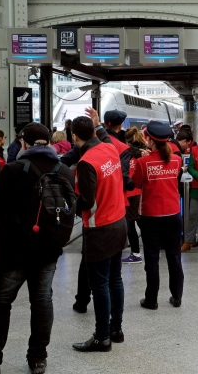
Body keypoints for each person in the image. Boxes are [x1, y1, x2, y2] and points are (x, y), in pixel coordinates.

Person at [0, 122, 75, 374]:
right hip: (48, 249)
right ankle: (38, 359)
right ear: (49, 142)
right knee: (42, 301)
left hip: (13, 250)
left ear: (23, 143)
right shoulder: (64, 171)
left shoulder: (14, 169)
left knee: (1, 303)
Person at [71, 116, 127, 353]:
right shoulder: (109, 148)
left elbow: (87, 201)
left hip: (99, 228)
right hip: (119, 221)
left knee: (100, 284)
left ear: (74, 137)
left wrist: (69, 202)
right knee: (115, 279)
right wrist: (98, 124)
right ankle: (116, 329)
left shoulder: (86, 162)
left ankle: (102, 337)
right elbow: (103, 135)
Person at [134, 122, 184, 309]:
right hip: (173, 214)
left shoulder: (142, 162)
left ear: (149, 140)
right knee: (174, 256)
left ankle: (151, 299)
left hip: (151, 215)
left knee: (152, 258)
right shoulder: (177, 160)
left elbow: (136, 183)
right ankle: (177, 296)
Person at [121, 127, 149, 264]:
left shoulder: (127, 154)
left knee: (130, 224)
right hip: (141, 192)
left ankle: (136, 253)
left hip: (130, 193)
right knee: (142, 222)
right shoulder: (144, 153)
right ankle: (150, 249)